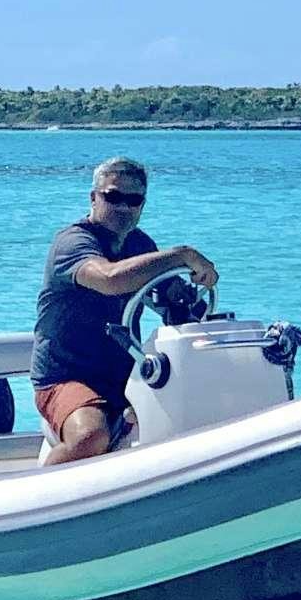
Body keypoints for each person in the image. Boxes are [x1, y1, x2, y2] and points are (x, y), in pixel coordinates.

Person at [32, 157, 217, 465]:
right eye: (113, 197)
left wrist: (189, 302)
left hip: (126, 376)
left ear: (142, 206)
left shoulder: (140, 245)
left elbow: (173, 298)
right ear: (94, 198)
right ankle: (35, 498)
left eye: (133, 200)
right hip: (66, 376)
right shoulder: (73, 242)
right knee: (91, 436)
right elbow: (110, 279)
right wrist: (181, 256)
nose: (123, 207)